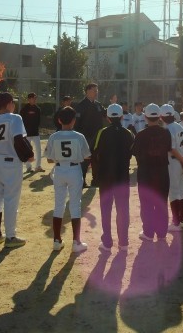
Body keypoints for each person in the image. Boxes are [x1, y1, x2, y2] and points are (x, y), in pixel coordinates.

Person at [0, 92, 34, 248]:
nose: (14, 105)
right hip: (10, 163)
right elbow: (18, 139)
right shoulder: (14, 118)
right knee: (11, 200)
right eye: (12, 102)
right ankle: (10, 236)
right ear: (8, 104)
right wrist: (29, 155)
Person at [44, 106, 91, 253]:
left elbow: (49, 159)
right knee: (75, 205)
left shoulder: (54, 136)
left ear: (59, 120)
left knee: (59, 205)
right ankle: (76, 242)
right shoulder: (79, 136)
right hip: (74, 170)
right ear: (74, 120)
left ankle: (57, 240)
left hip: (59, 170)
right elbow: (87, 156)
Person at [92, 103, 134, 253]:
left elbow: (95, 154)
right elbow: (131, 153)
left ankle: (107, 242)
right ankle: (124, 242)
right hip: (122, 177)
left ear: (108, 118)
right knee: (123, 209)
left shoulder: (102, 132)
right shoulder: (128, 133)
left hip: (106, 178)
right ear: (122, 117)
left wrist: (96, 175)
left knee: (106, 210)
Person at [131, 103, 172, 242]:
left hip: (146, 172)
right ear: (160, 117)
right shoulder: (166, 132)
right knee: (161, 201)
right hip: (162, 171)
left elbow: (134, 152)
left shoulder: (141, 134)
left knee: (146, 203)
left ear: (145, 117)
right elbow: (168, 148)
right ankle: (161, 233)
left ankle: (148, 232)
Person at [161, 104, 183, 231]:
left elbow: (171, 149)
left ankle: (176, 222)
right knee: (181, 191)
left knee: (173, 192)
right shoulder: (180, 126)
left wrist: (182, 161)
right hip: (182, 161)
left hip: (174, 162)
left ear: (161, 117)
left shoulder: (167, 129)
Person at [74, 83, 106, 187]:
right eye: (94, 90)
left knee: (97, 159)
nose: (96, 92)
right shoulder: (81, 105)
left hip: (98, 137)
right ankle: (82, 181)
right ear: (87, 91)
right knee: (85, 160)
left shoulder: (98, 104)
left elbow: (105, 114)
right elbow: (77, 123)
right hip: (86, 137)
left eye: (97, 90)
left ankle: (96, 180)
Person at [20, 92, 45, 173]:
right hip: (26, 134)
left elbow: (38, 121)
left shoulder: (37, 109)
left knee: (38, 150)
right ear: (29, 99)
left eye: (35, 98)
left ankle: (38, 166)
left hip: (35, 133)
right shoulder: (24, 109)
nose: (34, 99)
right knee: (27, 150)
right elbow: (21, 121)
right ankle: (28, 167)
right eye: (33, 98)